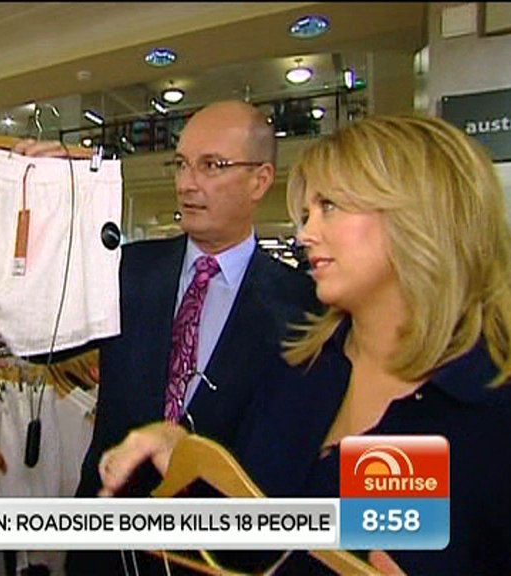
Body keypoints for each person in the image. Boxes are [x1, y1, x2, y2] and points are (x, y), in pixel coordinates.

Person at [97, 114, 511, 574]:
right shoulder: (296, 372)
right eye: (307, 212)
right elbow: (259, 536)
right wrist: (188, 457)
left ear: (420, 219)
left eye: (330, 207)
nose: (306, 233)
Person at [66, 101, 321, 575]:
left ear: (260, 180)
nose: (187, 183)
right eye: (181, 164)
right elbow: (42, 342)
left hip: (220, 558)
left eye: (211, 166)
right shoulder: (123, 271)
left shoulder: (305, 308)